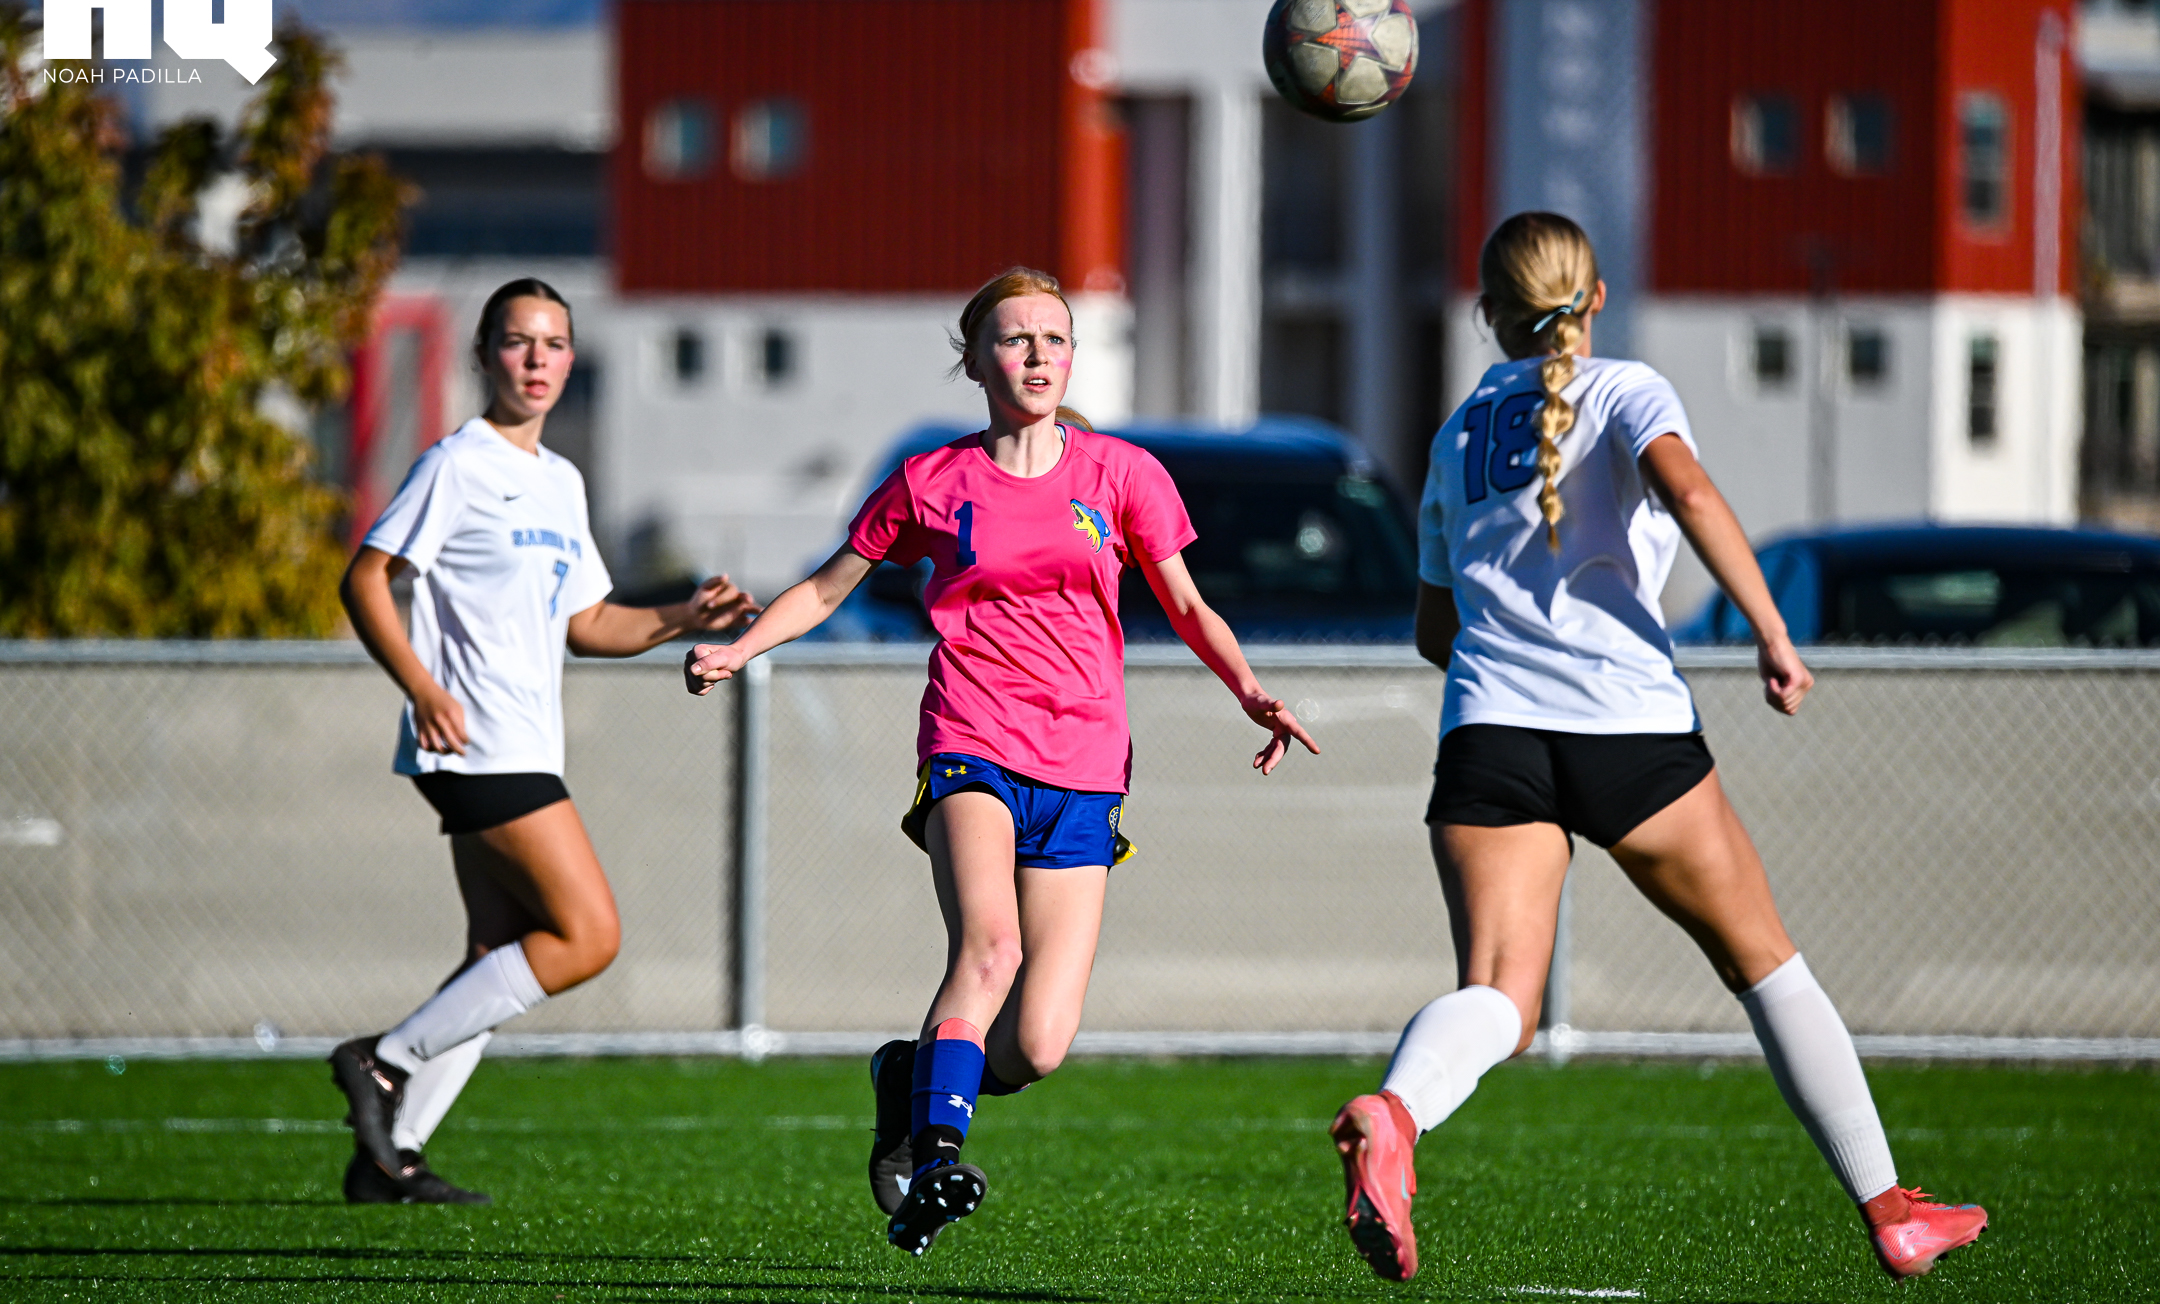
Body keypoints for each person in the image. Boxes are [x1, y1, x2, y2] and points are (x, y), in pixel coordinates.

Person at [1330, 214, 1987, 1284]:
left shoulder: (1454, 435)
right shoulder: (1626, 387)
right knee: (1767, 966)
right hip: (1627, 730)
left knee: (1501, 996)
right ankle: (1891, 1212)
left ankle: (1397, 1112)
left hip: (1488, 733)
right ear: (1591, 302)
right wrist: (1773, 633)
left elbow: (1433, 634)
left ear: (1489, 315)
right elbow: (1685, 487)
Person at [684, 266, 1319, 1256]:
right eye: (1015, 340)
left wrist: (1252, 692)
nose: (1036, 356)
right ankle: (935, 1157)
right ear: (975, 360)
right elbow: (825, 587)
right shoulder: (931, 482)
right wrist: (740, 647)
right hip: (972, 742)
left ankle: (908, 1080)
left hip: (1085, 765)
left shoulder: (1124, 475)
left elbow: (1188, 605)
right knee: (990, 950)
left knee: (1036, 1044)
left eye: (1054, 340)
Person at [330, 278, 756, 1204]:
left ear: (571, 358)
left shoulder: (560, 480)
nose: (536, 360)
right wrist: (422, 685)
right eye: (518, 342)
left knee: (498, 954)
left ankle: (387, 1156)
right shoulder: (456, 464)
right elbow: (365, 579)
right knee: (589, 935)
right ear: (485, 356)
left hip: (524, 745)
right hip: (475, 745)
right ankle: (383, 1060)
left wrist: (684, 615)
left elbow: (589, 622)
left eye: (555, 344)